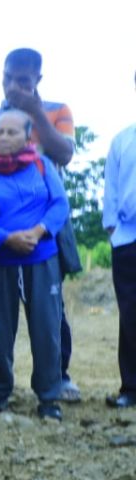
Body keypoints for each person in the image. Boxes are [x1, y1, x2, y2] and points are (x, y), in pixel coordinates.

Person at [0, 48, 81, 404]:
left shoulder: (57, 111)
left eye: (23, 80)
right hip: (0, 232)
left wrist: (34, 111)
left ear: (38, 80)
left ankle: (59, 378)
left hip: (48, 225)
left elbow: (64, 153)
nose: (15, 86)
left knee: (51, 312)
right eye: (9, 78)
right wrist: (2, 236)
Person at [0, 111, 68, 420]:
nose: (2, 137)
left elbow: (60, 204)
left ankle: (48, 397)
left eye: (11, 132)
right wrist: (6, 238)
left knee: (47, 329)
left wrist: (38, 231)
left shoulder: (41, 165)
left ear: (28, 137)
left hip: (41, 259)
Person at [103, 74, 136, 409]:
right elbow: (110, 188)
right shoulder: (123, 140)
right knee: (131, 314)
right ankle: (132, 387)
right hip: (129, 238)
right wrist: (113, 229)